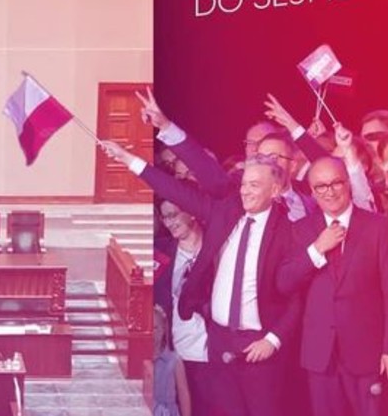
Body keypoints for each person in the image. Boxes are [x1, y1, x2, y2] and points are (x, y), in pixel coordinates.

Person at [103, 88, 301, 416]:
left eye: (254, 185)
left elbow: (296, 294)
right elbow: (178, 187)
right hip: (220, 341)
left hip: (262, 346)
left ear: (275, 189)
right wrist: (131, 159)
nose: (245, 191)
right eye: (244, 183)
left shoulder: (289, 229)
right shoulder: (226, 212)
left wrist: (273, 340)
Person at [278, 156, 388, 416]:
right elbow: (284, 283)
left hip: (369, 353)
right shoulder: (300, 230)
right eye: (321, 186)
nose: (330, 191)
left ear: (348, 184)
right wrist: (317, 249)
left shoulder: (380, 227)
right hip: (320, 355)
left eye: (336, 183)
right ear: (312, 192)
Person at [154, 200, 212, 416]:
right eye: (164, 217)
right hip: (178, 356)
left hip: (214, 356)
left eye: (173, 215)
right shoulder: (159, 252)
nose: (169, 223)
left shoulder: (219, 247)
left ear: (192, 212)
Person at [153, 305, 191, 416]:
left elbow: (183, 394)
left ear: (164, 329)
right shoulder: (141, 360)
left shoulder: (174, 360)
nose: (153, 333)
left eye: (156, 328)